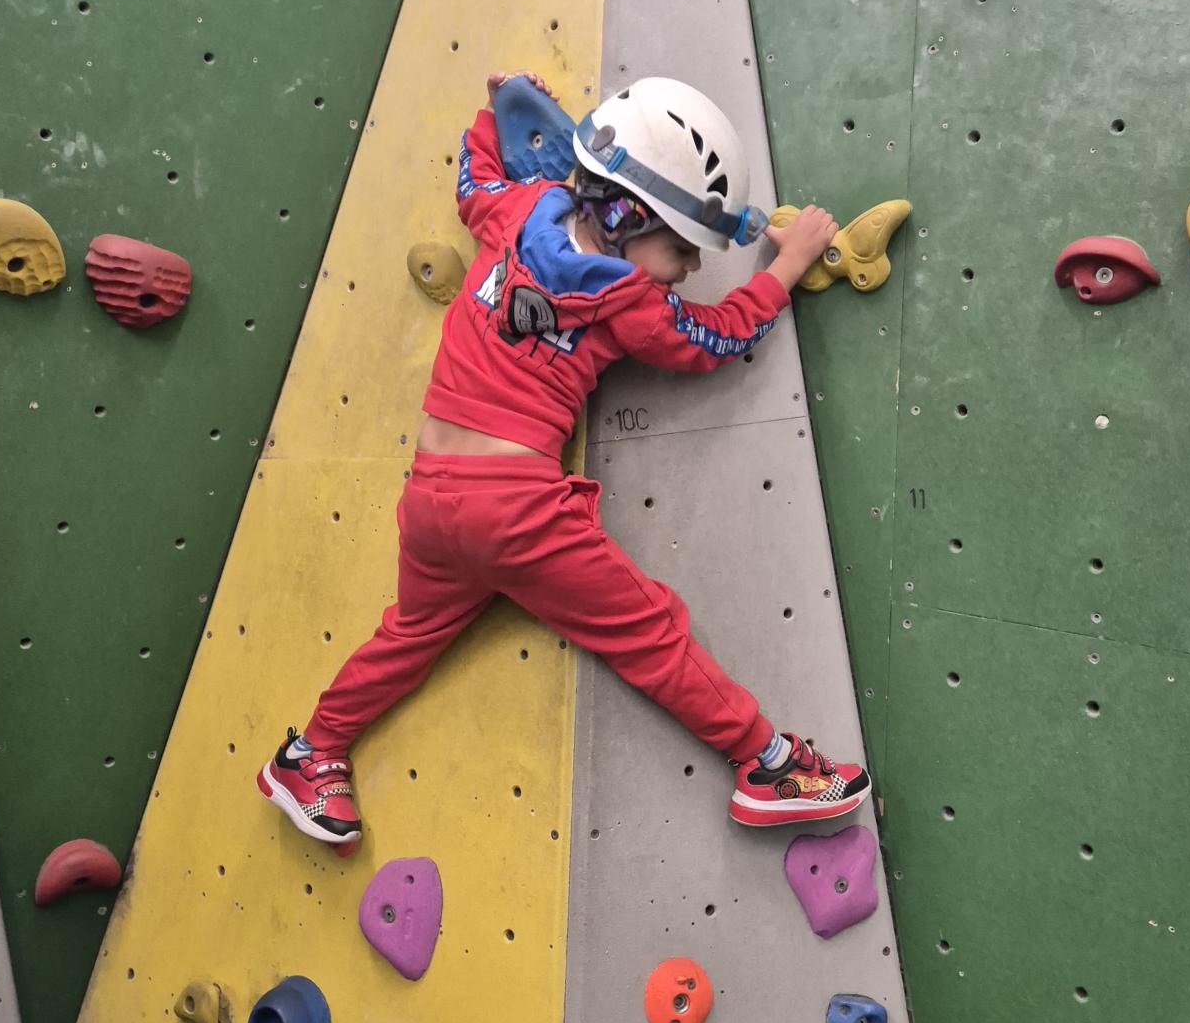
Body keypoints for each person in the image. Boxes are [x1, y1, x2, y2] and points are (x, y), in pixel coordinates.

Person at [257, 70, 871, 846]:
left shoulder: (513, 210)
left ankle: (311, 751)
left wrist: (500, 105)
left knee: (407, 637)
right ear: (626, 216)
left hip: (433, 499)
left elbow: (475, 174)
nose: (687, 270)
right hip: (514, 507)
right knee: (648, 632)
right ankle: (768, 764)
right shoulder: (631, 304)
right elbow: (719, 337)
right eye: (680, 249)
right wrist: (786, 266)